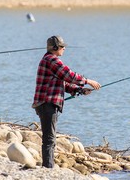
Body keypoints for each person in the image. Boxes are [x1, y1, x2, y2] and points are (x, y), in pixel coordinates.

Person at [32, 35, 101, 168]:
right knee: (49, 139)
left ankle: (48, 167)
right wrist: (88, 81)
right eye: (62, 46)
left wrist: (79, 90)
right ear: (55, 47)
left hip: (46, 104)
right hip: (47, 104)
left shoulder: (49, 60)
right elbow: (69, 75)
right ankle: (48, 169)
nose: (64, 48)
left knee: (49, 138)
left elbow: (63, 82)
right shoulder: (52, 60)